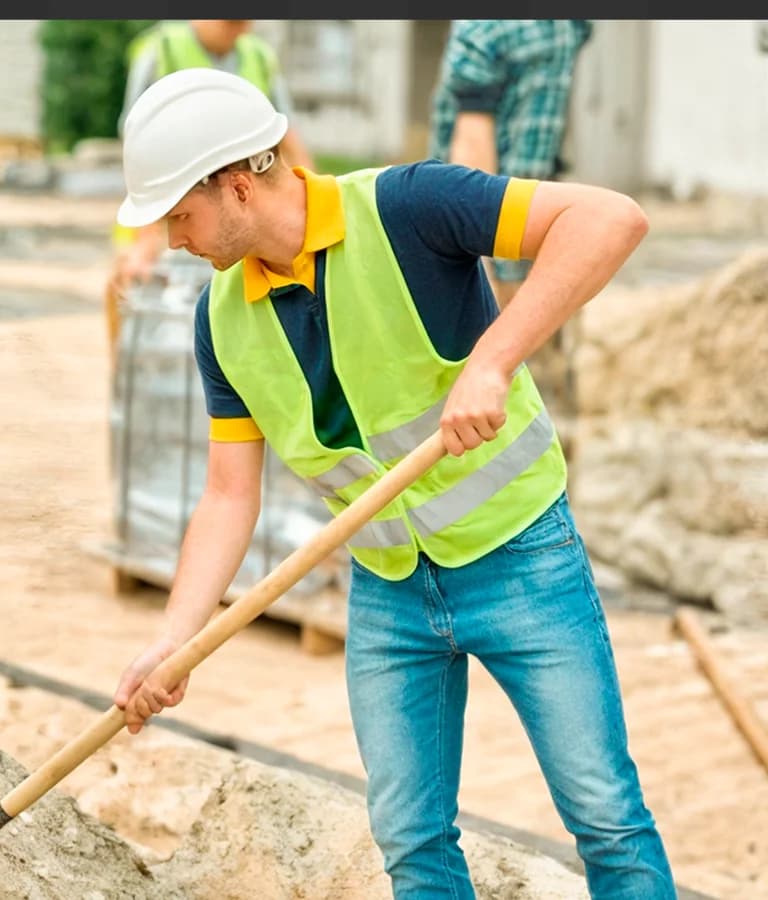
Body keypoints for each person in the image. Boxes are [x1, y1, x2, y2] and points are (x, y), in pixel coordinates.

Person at [108, 68, 674, 899]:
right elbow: (229, 495)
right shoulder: (219, 321)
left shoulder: (408, 207)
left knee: (605, 819)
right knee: (411, 839)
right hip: (387, 589)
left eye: (178, 215)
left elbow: (610, 218)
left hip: (522, 558)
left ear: (236, 186)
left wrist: (493, 360)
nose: (171, 240)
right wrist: (175, 638)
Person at [430, 20, 594, 468]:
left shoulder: (562, 25)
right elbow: (471, 156)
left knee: (539, 404)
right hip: (505, 238)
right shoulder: (494, 30)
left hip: (535, 233)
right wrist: (493, 267)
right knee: (503, 404)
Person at [106, 19, 314, 340]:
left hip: (229, 204)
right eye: (229, 22)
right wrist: (147, 238)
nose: (238, 29)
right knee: (126, 290)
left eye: (243, 22)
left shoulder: (258, 56)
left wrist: (311, 203)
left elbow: (288, 135)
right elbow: (140, 154)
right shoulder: (162, 49)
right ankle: (126, 371)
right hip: (158, 206)